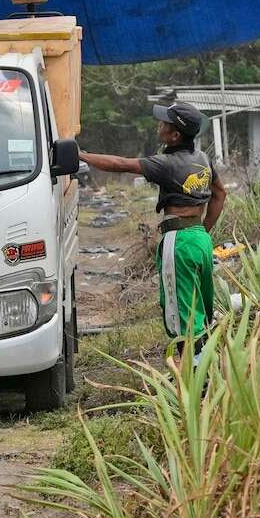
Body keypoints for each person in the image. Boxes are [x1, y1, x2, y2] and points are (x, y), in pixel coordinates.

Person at [78, 102, 227, 365]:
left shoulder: (167, 163)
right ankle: (206, 373)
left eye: (164, 123)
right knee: (200, 311)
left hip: (179, 242)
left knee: (183, 317)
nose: (159, 125)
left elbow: (120, 164)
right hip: (200, 241)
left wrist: (83, 156)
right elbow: (220, 194)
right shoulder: (203, 159)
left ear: (175, 135)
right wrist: (203, 230)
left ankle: (197, 383)